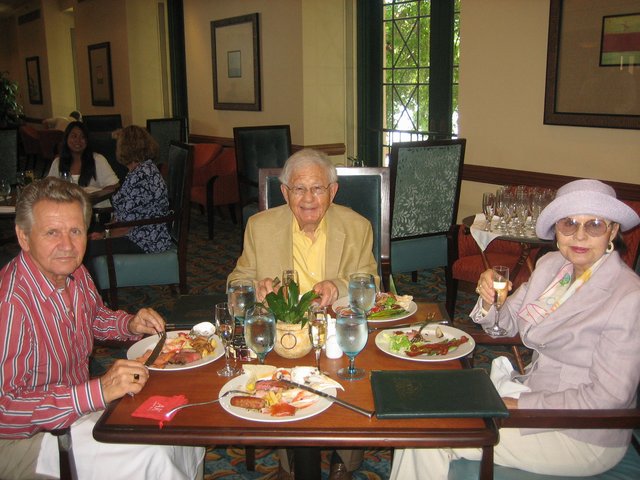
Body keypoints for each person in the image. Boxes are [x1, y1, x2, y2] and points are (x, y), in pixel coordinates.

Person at [390, 179, 640, 479]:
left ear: (612, 231)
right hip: (531, 396)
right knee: (421, 414)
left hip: (582, 432)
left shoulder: (628, 296)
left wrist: (519, 404)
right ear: (557, 230)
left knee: (429, 434)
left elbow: (607, 399)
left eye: (595, 225)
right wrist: (490, 299)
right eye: (569, 223)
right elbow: (505, 324)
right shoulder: (552, 266)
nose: (580, 235)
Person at [0, 177, 204, 479]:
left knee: (180, 421)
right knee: (151, 453)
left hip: (73, 410)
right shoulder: (10, 304)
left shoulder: (74, 272)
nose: (67, 245)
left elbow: (94, 317)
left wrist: (129, 323)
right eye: (52, 232)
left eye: (75, 231)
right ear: (24, 236)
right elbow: (5, 411)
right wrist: (97, 391)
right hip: (22, 441)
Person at [227, 148, 379, 479]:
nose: (308, 199)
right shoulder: (259, 226)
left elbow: (370, 283)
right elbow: (236, 282)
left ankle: (344, 458)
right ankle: (288, 459)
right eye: (299, 188)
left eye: (317, 188)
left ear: (332, 191)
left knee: (357, 366)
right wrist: (255, 288)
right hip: (283, 335)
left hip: (334, 331)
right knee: (271, 377)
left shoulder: (358, 226)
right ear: (285, 192)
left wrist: (337, 287)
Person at [85, 125, 172, 259]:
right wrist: (105, 233)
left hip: (144, 240)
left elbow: (127, 226)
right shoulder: (143, 170)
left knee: (84, 248)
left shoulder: (141, 176)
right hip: (140, 234)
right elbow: (127, 216)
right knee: (86, 241)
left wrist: (104, 235)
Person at [47, 120, 119, 204]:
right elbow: (49, 187)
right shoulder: (58, 162)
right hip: (67, 206)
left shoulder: (98, 159)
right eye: (74, 136)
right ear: (66, 139)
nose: (78, 140)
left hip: (95, 206)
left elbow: (115, 186)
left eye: (82, 137)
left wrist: (93, 197)